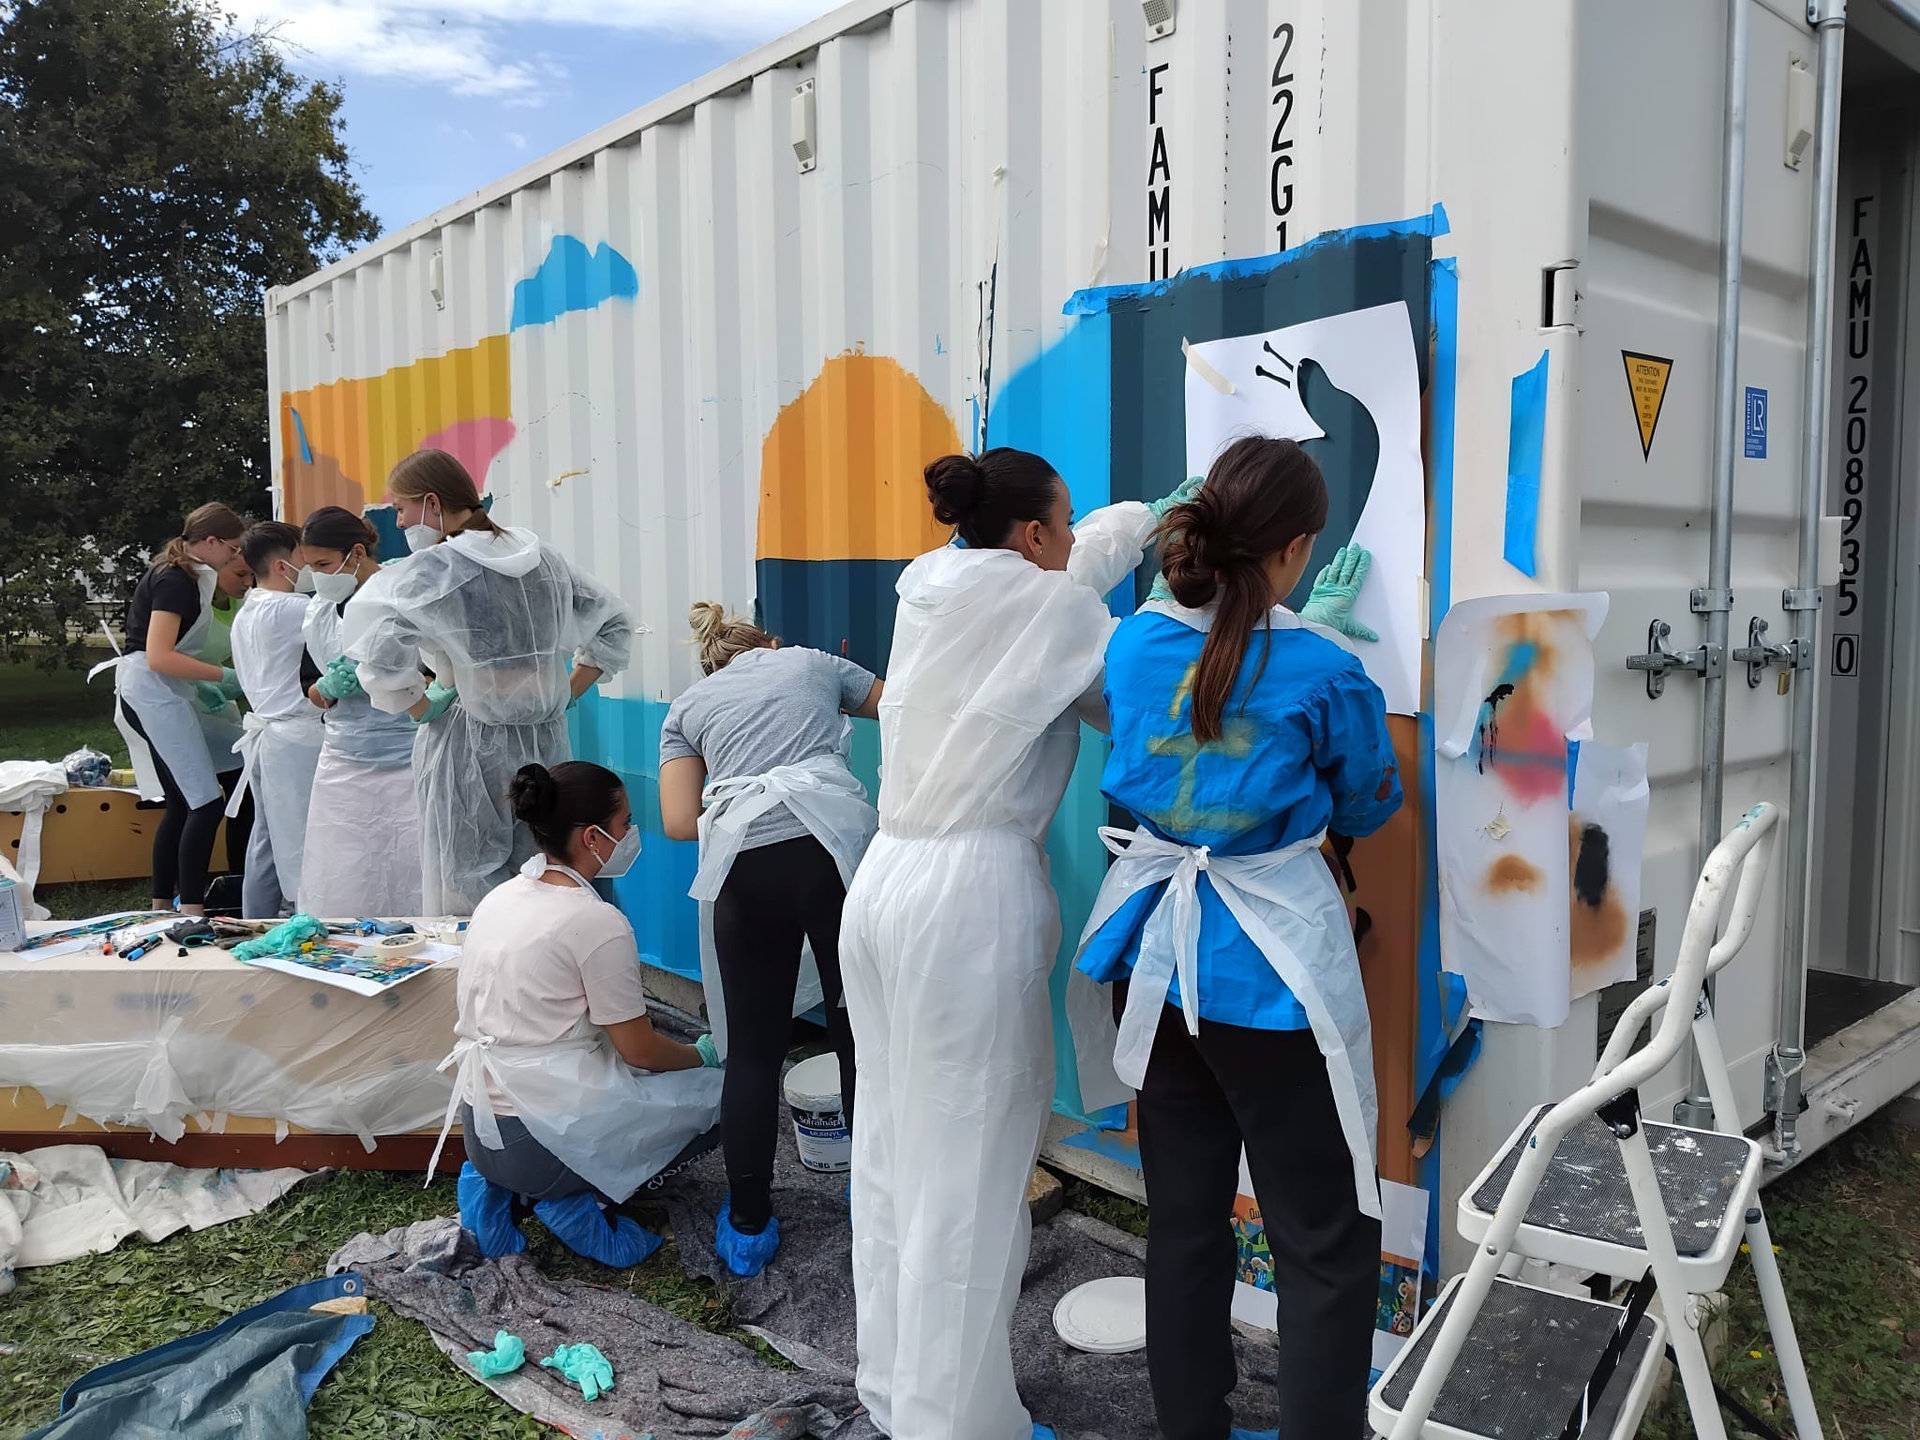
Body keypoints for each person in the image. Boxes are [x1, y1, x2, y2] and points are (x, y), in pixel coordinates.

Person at [838, 449, 1200, 1440]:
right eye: (1066, 523)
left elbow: (1064, 581)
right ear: (1036, 534)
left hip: (883, 883)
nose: (1076, 538)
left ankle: (897, 1391)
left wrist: (1137, 521)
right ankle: (953, 1423)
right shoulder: (1056, 613)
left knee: (895, 1148)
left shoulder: (931, 588)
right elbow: (1141, 706)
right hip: (968, 902)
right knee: (972, 1169)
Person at [1074, 436, 1400, 1440]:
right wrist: (1319, 653)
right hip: (1272, 980)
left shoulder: (1134, 643)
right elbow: (1370, 800)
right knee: (1324, 1240)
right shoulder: (1322, 670)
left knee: (1183, 1225)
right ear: (1297, 550)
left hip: (1157, 966)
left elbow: (1173, 693)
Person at [657, 602, 882, 1277]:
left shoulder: (687, 708)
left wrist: (744, 792)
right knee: (858, 1033)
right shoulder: (812, 663)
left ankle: (749, 1222)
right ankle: (876, 1195)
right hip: (833, 854)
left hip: (744, 866)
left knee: (754, 1052)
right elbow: (905, 708)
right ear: (771, 645)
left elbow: (678, 822)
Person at [430, 760, 725, 1267]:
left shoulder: (501, 896)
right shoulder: (596, 922)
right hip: (540, 1140)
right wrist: (701, 1057)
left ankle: (498, 1191)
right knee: (721, 1099)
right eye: (625, 823)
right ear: (592, 837)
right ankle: (575, 1199)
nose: (631, 835)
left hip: (480, 1127)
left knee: (611, 1071)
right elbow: (641, 1051)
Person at [341, 449, 633, 914]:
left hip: (467, 743)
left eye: (400, 508)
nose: (398, 522)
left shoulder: (435, 569)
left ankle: (480, 958)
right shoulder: (543, 560)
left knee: (466, 881)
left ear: (432, 503)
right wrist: (564, 693)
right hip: (546, 740)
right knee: (546, 870)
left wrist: (419, 704)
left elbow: (375, 643)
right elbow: (613, 623)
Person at [91, 503, 250, 914]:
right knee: (205, 803)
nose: (235, 558)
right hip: (152, 691)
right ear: (211, 541)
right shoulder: (175, 579)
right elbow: (159, 656)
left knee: (185, 800)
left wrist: (199, 683)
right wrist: (221, 676)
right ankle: (191, 910)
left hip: (164, 688)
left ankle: (161, 906)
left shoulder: (188, 574)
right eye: (233, 549)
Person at [297, 506, 424, 917]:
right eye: (311, 567)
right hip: (344, 757)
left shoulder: (402, 595)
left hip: (407, 754)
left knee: (410, 859)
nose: (318, 576)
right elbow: (309, 687)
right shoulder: (319, 611)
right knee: (344, 864)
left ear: (355, 553)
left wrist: (397, 680)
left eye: (323, 565)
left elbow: (437, 668)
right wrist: (327, 689)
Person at [225, 520, 323, 917]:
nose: (312, 567)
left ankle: (255, 918)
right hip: (295, 738)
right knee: (302, 838)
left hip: (267, 736)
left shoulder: (247, 610)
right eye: (306, 558)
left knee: (267, 835)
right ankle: (305, 916)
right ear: (283, 566)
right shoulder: (294, 609)